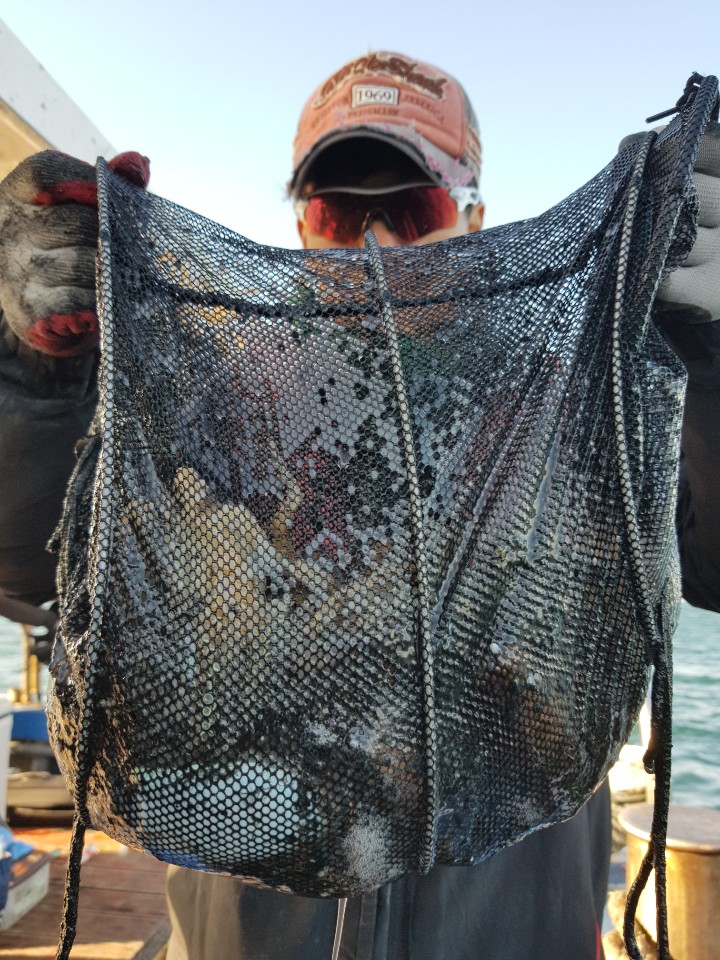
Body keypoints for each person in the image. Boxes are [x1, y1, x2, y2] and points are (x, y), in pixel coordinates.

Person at [0, 51, 718, 960]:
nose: (374, 243)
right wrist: (39, 378)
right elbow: (23, 566)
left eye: (411, 208)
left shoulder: (571, 404)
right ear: (301, 224)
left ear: (472, 216)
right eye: (340, 212)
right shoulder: (213, 406)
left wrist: (712, 364)